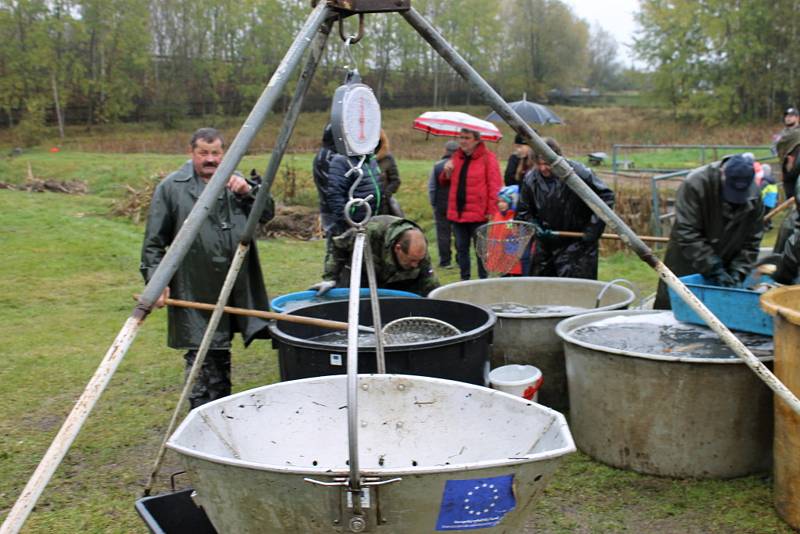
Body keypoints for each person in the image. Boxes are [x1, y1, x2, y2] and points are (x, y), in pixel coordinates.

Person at [140, 127, 273, 408]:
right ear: (192, 153)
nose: (210, 159)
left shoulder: (236, 185)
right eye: (203, 153)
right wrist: (156, 281)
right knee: (203, 357)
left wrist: (250, 192)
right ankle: (201, 418)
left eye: (215, 153)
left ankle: (219, 412)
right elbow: (153, 243)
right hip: (194, 287)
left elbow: (267, 214)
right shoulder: (172, 188)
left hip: (236, 285)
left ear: (224, 153)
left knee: (220, 354)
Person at [653, 154, 765, 309]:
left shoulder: (754, 196)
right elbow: (688, 233)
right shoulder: (696, 184)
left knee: (720, 316)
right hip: (688, 259)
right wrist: (713, 267)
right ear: (723, 174)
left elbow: (752, 241)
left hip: (728, 263)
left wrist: (738, 271)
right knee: (674, 311)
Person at [516, 137, 615, 279]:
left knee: (576, 294)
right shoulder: (531, 179)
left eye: (546, 163)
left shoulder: (578, 173)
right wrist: (534, 226)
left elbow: (606, 196)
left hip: (578, 246)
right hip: (546, 247)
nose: (543, 168)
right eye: (539, 164)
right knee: (542, 291)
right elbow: (524, 211)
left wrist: (593, 229)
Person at [312, 215, 440, 296]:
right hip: (365, 276)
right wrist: (329, 278)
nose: (415, 265)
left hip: (398, 283)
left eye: (419, 261)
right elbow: (338, 246)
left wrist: (438, 299)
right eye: (412, 260)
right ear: (398, 248)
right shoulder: (371, 231)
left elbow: (428, 280)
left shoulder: (417, 248)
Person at [439, 128, 502, 280]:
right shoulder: (456, 157)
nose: (462, 141)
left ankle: (482, 279)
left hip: (479, 215)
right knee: (461, 250)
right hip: (458, 213)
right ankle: (464, 280)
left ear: (477, 140)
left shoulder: (488, 158)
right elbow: (443, 182)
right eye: (461, 137)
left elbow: (495, 186)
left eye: (467, 138)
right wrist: (446, 171)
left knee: (481, 251)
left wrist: (492, 212)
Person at [325, 147, 383, 238]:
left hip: (370, 220)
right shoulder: (342, 161)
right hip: (353, 224)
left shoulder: (370, 159)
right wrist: (346, 220)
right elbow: (335, 194)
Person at [428, 140, 458, 268]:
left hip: (441, 205)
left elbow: (432, 188)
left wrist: (433, 203)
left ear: (445, 150)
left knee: (443, 234)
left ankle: (445, 261)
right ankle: (460, 260)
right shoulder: (462, 166)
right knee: (459, 234)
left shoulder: (437, 166)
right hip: (458, 205)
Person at [375, 129, 403, 216]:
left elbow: (395, 181)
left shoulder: (387, 158)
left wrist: (385, 195)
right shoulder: (361, 157)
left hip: (383, 205)